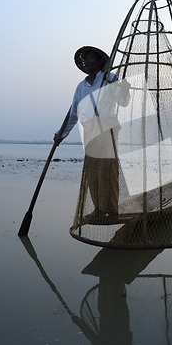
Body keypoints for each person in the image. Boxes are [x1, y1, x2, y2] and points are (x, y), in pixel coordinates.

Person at [54, 46, 131, 218]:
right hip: (89, 129)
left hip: (107, 126)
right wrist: (61, 134)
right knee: (92, 171)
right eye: (86, 59)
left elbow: (123, 102)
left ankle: (111, 211)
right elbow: (73, 114)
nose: (88, 62)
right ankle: (98, 210)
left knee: (107, 169)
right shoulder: (81, 87)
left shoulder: (109, 78)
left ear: (98, 61)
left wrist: (124, 89)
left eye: (91, 58)